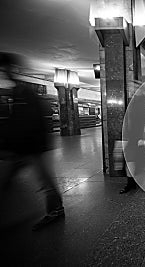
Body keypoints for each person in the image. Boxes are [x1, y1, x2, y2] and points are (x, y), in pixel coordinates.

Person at [0, 52, 64, 230]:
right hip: (23, 147)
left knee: (45, 180)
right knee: (10, 180)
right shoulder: (18, 92)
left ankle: (56, 210)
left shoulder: (25, 92)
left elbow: (32, 120)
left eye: (5, 69)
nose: (4, 73)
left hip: (31, 147)